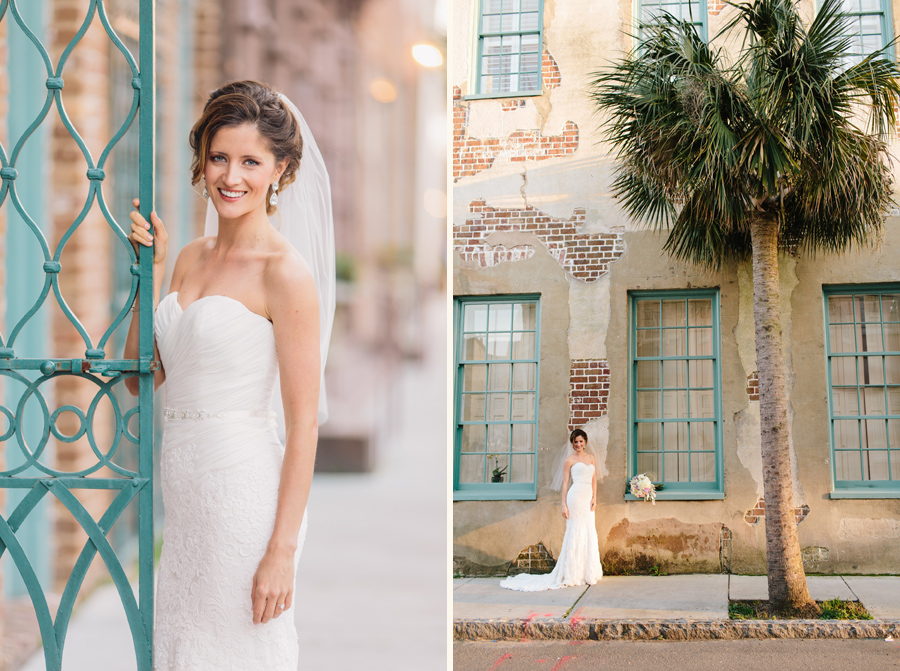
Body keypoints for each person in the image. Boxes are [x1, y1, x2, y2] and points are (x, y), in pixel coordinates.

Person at [123, 80, 334, 669]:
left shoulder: (285, 275)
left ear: (280, 170)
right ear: (202, 161)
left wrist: (282, 551)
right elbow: (145, 379)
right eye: (219, 158)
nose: (230, 176)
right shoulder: (188, 257)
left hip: (245, 498)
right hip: (185, 503)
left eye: (250, 161)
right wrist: (152, 273)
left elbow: (304, 425)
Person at [499, 428, 603, 591]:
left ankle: (588, 572)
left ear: (585, 442)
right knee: (575, 530)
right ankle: (573, 573)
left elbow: (594, 479)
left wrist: (594, 498)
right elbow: (564, 484)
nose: (578, 444)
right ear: (572, 443)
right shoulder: (569, 460)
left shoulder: (591, 458)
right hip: (575, 497)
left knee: (589, 530)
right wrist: (564, 505)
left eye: (581, 441)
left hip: (588, 497)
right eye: (575, 442)